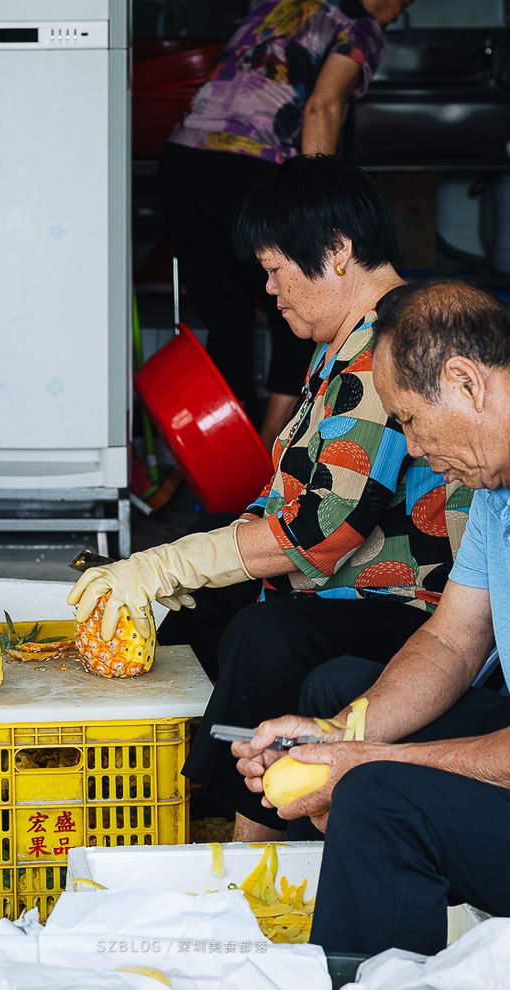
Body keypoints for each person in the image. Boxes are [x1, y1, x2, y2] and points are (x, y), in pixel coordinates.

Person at [70, 156, 470, 839]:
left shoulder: (393, 346)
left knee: (265, 633)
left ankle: (251, 839)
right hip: (346, 589)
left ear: (338, 250)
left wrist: (169, 563)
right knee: (203, 603)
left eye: (276, 267)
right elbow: (287, 494)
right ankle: (175, 795)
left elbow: (318, 528)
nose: (268, 288)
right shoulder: (342, 341)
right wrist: (182, 562)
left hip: (409, 609)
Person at [232, 281, 510, 957]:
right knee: (341, 696)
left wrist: (364, 761)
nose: (412, 450)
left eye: (411, 421)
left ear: (467, 383)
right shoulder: (494, 489)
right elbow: (451, 637)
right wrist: (333, 736)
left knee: (379, 799)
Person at [159, 0, 413, 449]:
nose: (399, 14)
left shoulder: (283, 3)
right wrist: (321, 199)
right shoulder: (360, 24)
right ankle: (270, 452)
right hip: (249, 164)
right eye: (404, 4)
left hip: (181, 162)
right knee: (301, 306)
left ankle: (226, 456)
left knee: (227, 316)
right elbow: (322, 107)